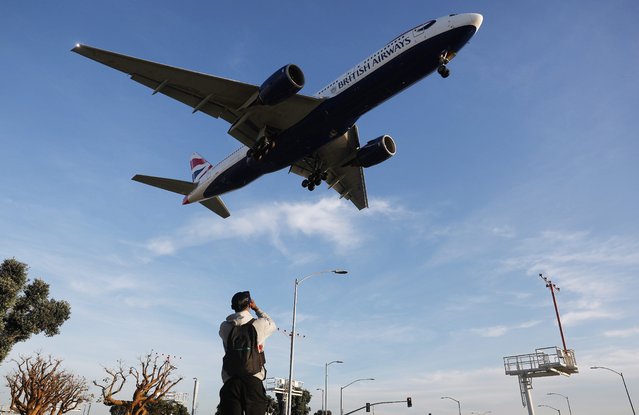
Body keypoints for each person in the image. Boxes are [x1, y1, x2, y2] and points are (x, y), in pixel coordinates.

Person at [219, 291, 277, 415]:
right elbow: (273, 324)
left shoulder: (225, 327)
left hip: (231, 381)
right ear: (249, 304)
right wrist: (256, 308)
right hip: (253, 380)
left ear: (233, 306)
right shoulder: (259, 325)